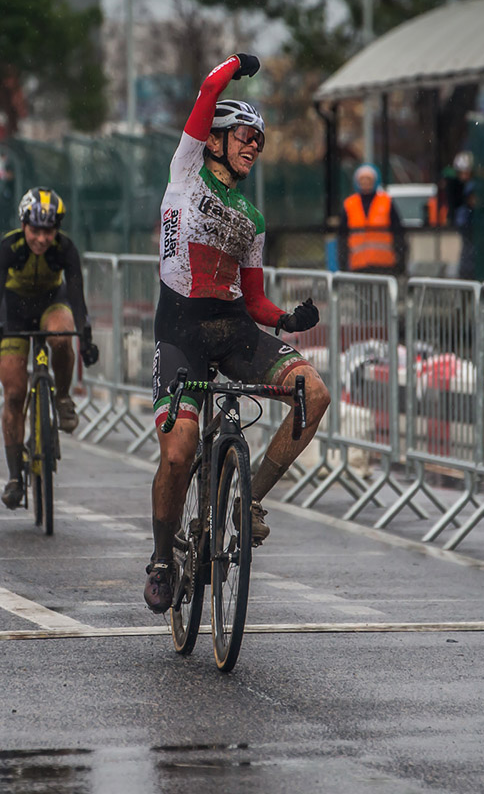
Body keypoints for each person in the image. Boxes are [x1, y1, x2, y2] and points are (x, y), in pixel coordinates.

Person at [144, 52, 331, 613]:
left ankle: (246, 501)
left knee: (313, 392)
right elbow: (205, 89)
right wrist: (236, 65)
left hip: (234, 330)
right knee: (177, 455)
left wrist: (286, 321)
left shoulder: (253, 217)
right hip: (180, 331)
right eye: (246, 135)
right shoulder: (186, 170)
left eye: (261, 141)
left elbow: (252, 299)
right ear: (218, 139)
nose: (254, 146)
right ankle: (160, 558)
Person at [0, 186, 101, 510]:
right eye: (36, 230)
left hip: (51, 304)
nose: (42, 239)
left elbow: (77, 298)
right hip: (14, 313)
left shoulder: (65, 249)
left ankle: (61, 398)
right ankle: (16, 477)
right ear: (24, 225)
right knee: (14, 394)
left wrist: (85, 336)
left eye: (49, 231)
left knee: (61, 336)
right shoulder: (9, 247)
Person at [337, 163, 406, 276]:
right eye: (362, 179)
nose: (365, 182)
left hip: (384, 264)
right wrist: (343, 263)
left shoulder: (386, 202)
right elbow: (343, 236)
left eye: (368, 179)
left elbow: (398, 232)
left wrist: (400, 260)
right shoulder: (349, 204)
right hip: (358, 264)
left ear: (375, 181)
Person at [450, 151, 477, 280]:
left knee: (469, 255)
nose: (462, 176)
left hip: (472, 228)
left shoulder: (472, 187)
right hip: (467, 228)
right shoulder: (461, 188)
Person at [0, 163, 17, 241]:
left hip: (8, 222)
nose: (7, 174)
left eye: (8, 172)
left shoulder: (15, 186)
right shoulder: (5, 185)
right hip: (1, 222)